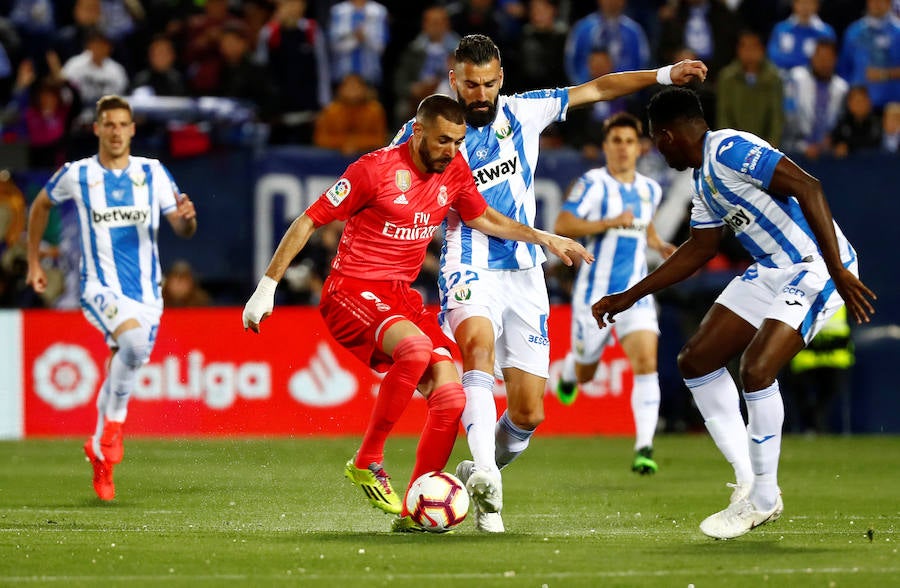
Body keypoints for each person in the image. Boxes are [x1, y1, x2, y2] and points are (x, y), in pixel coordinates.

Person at [392, 34, 707, 533]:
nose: (480, 94)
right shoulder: (424, 131)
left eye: (489, 83)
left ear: (501, 79)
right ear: (453, 79)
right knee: (477, 350)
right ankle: (490, 498)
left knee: (529, 413)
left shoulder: (525, 113)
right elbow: (383, 176)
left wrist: (666, 75)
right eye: (471, 84)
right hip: (468, 262)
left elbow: (601, 87)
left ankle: (480, 469)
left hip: (525, 273)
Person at [241, 94, 591, 533]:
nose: (452, 151)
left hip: (399, 297)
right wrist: (267, 286)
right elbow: (309, 219)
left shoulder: (454, 170)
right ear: (419, 131)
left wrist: (542, 237)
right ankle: (367, 460)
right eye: (444, 140)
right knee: (415, 348)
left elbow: (484, 217)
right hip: (352, 292)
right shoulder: (373, 170)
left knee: (451, 395)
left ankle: (414, 510)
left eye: (459, 141)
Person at [592, 87, 875, 539]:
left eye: (655, 141)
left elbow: (808, 185)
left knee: (758, 369)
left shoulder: (728, 150)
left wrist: (837, 267)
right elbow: (699, 249)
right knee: (696, 360)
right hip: (770, 271)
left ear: (667, 136)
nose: (655, 150)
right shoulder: (703, 179)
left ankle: (764, 498)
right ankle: (748, 479)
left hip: (814, 266)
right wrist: (630, 295)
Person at [25, 94, 198, 501]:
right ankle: (115, 427)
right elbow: (40, 205)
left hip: (147, 295)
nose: (117, 132)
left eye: (123, 124)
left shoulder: (153, 173)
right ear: (97, 129)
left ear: (133, 129)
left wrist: (187, 220)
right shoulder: (78, 174)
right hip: (99, 288)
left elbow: (181, 226)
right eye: (110, 124)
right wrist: (34, 262)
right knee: (134, 343)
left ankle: (100, 447)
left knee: (128, 358)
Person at [553, 112, 676, 474]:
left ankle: (644, 447)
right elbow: (563, 224)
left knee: (646, 363)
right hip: (593, 299)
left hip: (635, 295)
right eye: (615, 141)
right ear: (606, 147)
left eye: (629, 142)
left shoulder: (649, 189)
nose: (623, 149)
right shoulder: (593, 184)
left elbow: (645, 224)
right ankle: (570, 377)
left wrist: (657, 243)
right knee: (587, 372)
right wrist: (607, 223)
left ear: (640, 148)